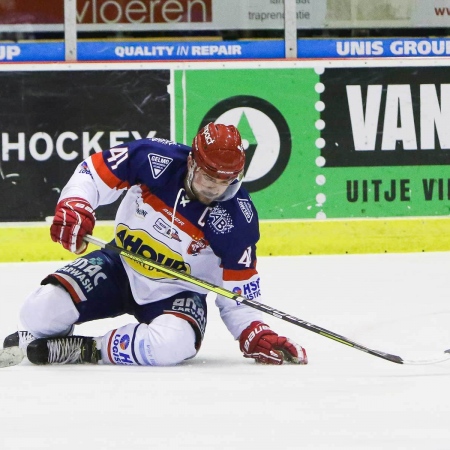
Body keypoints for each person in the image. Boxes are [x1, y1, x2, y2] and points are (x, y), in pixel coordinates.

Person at [1, 122, 307, 367]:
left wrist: (254, 332)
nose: (214, 187)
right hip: (120, 266)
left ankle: (83, 349)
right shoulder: (152, 159)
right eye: (207, 176)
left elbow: (236, 294)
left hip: (177, 291)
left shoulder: (237, 219)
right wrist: (76, 205)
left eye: (225, 180)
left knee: (172, 346)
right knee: (38, 313)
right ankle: (51, 334)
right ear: (192, 162)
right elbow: (92, 173)